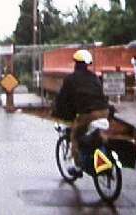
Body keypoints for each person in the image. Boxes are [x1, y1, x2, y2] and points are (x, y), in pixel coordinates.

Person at [55, 49, 110, 177]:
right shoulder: (95, 78)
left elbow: (63, 99)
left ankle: (78, 168)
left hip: (88, 114)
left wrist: (58, 112)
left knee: (75, 135)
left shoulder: (70, 79)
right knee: (95, 134)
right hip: (105, 111)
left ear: (75, 63)